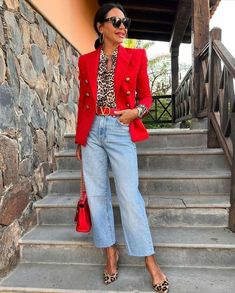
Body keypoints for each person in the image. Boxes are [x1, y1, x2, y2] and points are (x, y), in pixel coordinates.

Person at [75, 2, 169, 292]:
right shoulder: (85, 61)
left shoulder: (136, 56)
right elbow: (84, 101)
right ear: (100, 26)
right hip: (92, 131)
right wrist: (80, 138)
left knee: (129, 195)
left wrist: (135, 113)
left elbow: (147, 98)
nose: (122, 26)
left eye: (124, 21)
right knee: (98, 195)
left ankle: (150, 261)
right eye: (115, 21)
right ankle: (110, 253)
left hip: (120, 127)